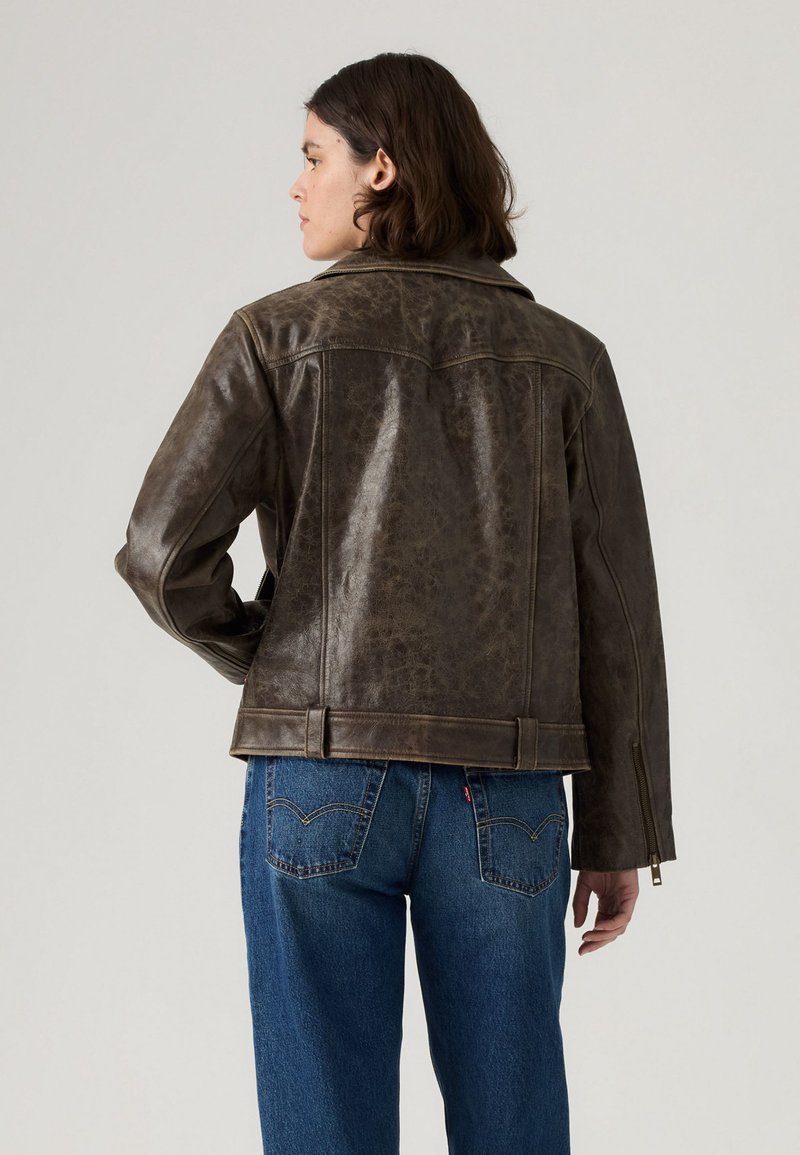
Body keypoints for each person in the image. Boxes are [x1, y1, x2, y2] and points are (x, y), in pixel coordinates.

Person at [114, 51, 676, 1155]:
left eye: (313, 156)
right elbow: (617, 613)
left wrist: (281, 664)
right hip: (509, 794)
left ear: (381, 169)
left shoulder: (274, 337)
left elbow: (160, 555)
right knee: (514, 1130)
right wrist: (621, 828)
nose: (296, 184)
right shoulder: (565, 361)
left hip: (319, 776)